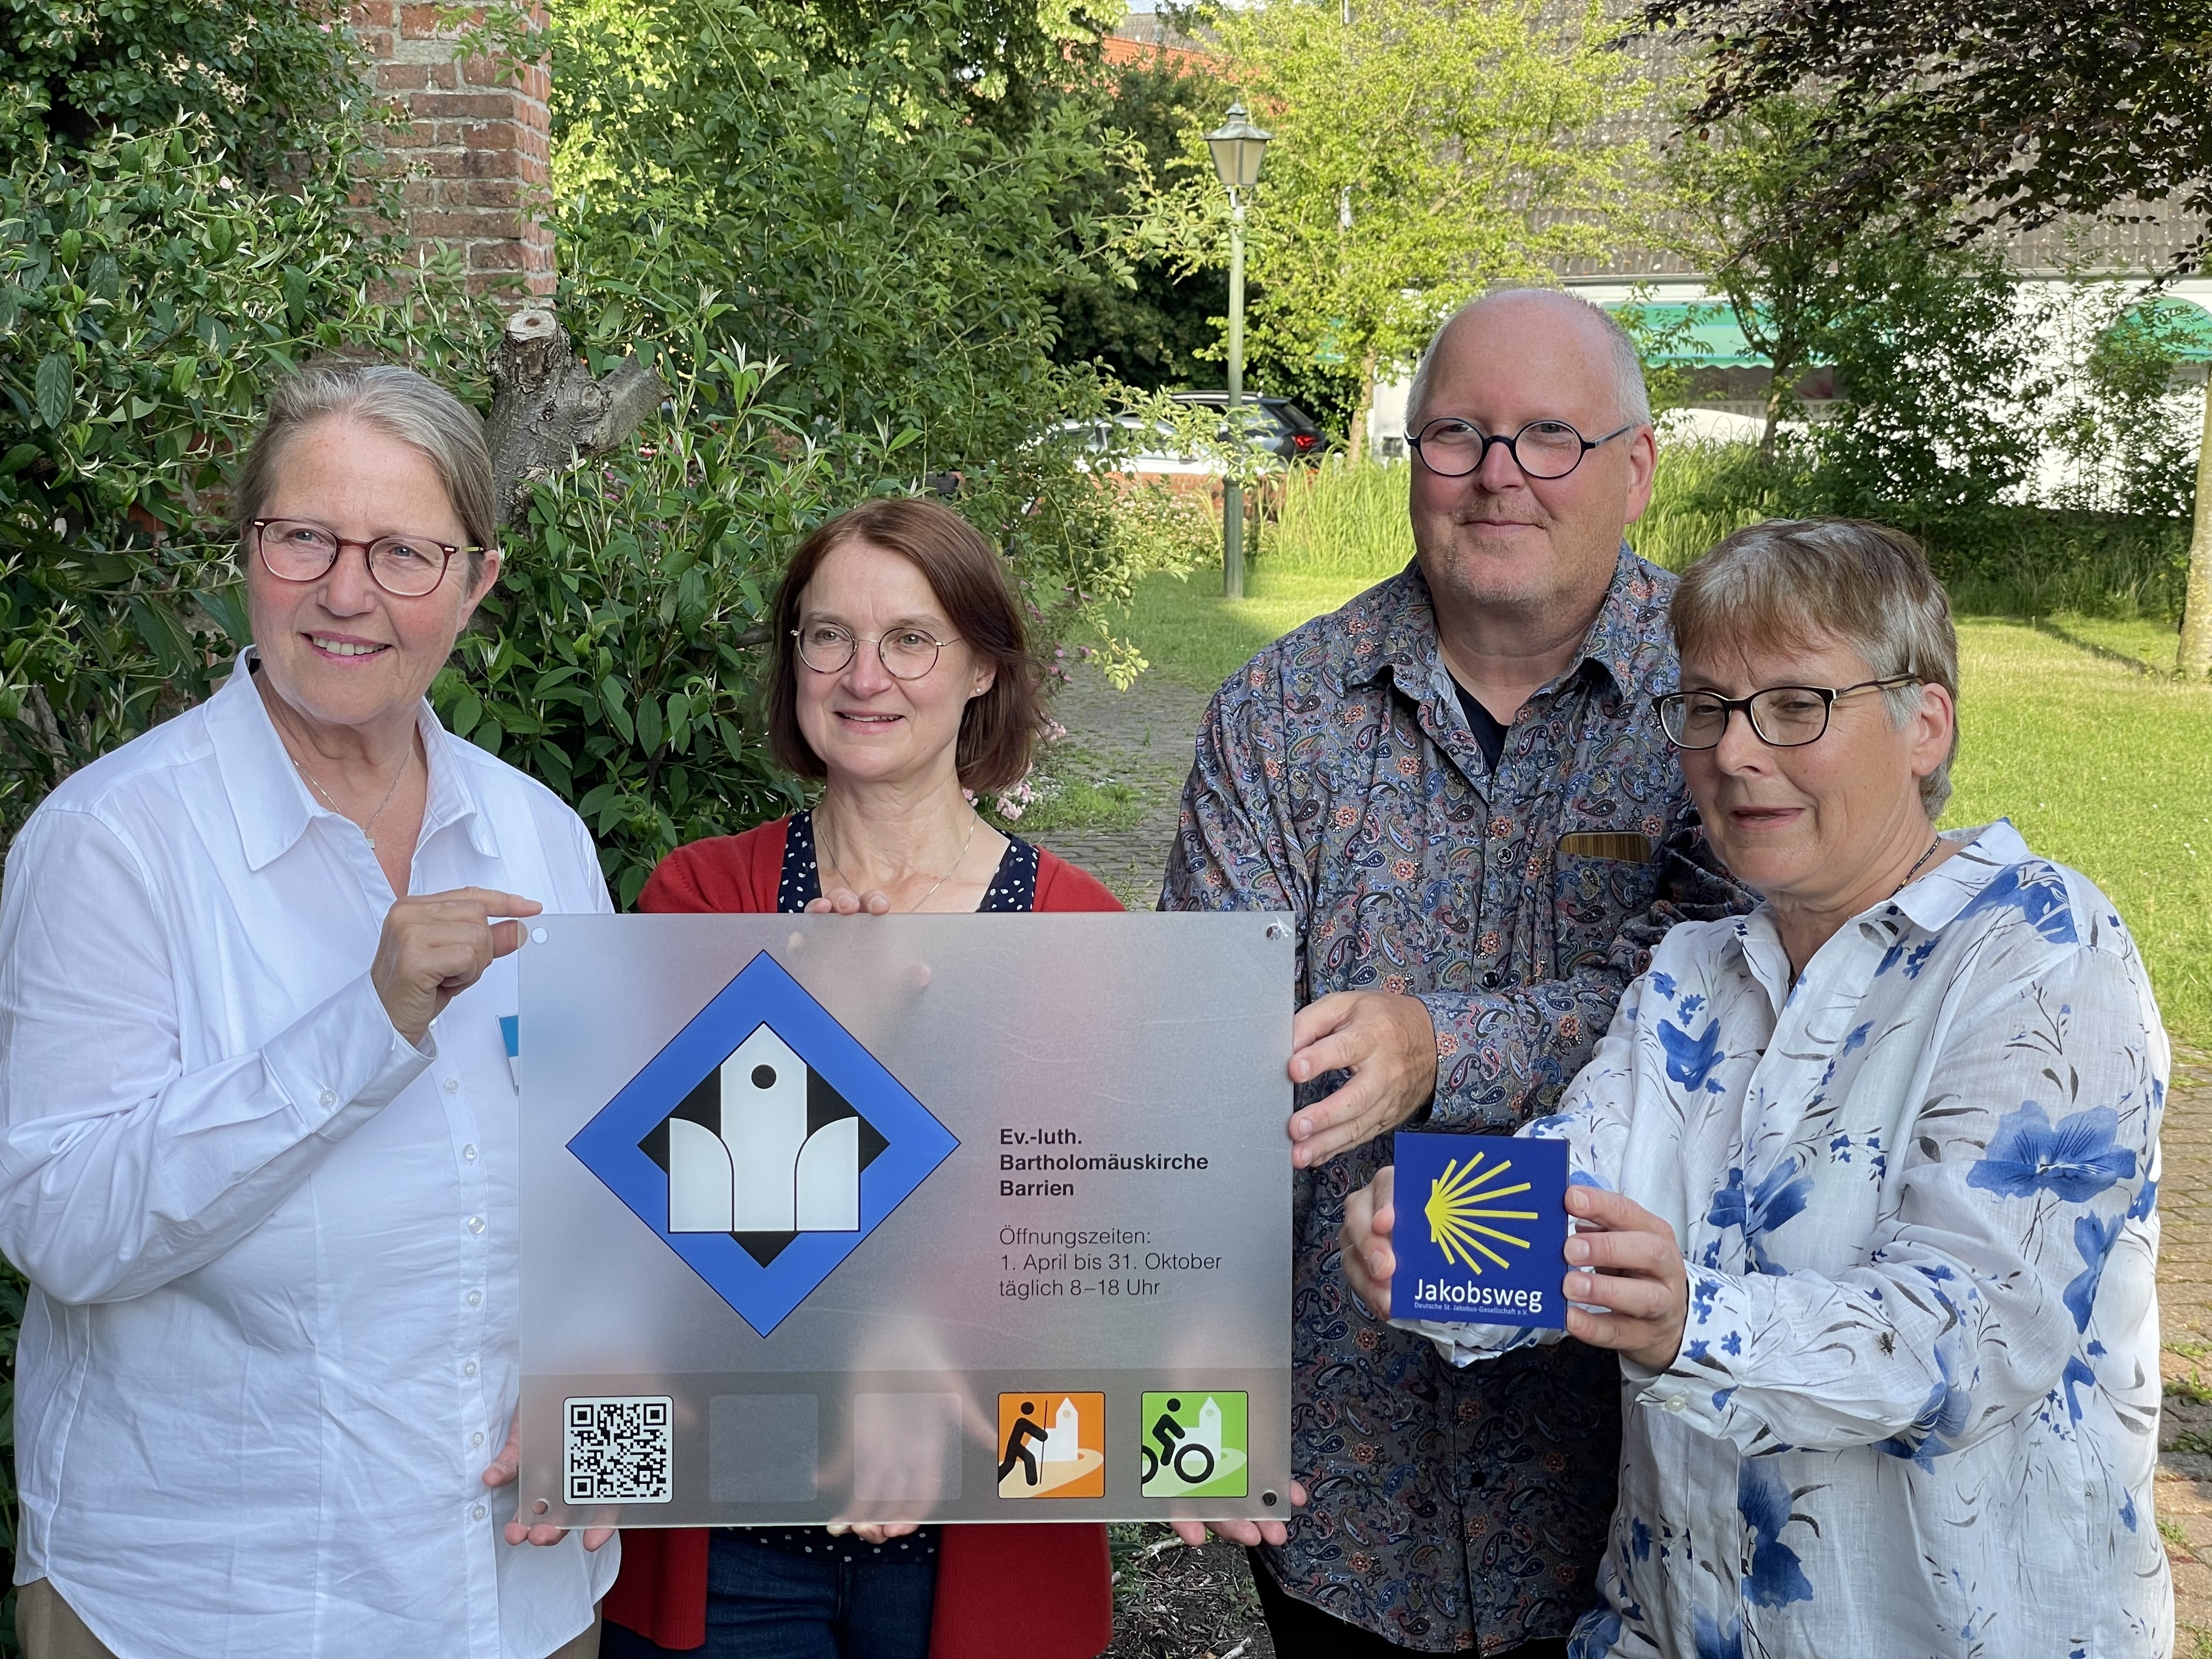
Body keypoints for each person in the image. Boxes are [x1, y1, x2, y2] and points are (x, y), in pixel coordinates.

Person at [1339, 519, 2171, 1656]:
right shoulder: (1697, 969)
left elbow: (1972, 1341)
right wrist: (1429, 1248)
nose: (1734, 752)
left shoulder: (2038, 947)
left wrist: (1689, 1319)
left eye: (1796, 705)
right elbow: (1565, 1204)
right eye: (1707, 707)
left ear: (1926, 724)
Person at [1161, 288, 1745, 1656]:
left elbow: (1722, 1004)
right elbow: (1200, 1066)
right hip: (1345, 1479)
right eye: (1457, 434)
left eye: (1551, 435)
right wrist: (1167, 1375)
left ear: (1638, 466)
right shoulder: (1277, 713)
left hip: (1633, 1477)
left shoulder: (1725, 707)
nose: (1499, 475)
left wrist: (1440, 1047)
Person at [0, 364, 616, 1658]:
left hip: (518, 1588)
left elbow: (608, 1193)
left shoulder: (540, 835)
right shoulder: (114, 842)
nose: (348, 593)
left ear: (476, 584)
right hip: (215, 1599)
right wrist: (366, 1024)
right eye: (305, 539)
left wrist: (610, 1419)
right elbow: (62, 1226)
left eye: (403, 551)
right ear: (247, 553)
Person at [601, 496, 1117, 1659]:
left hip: (990, 1527)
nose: (862, 674)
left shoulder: (1079, 927)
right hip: (726, 1539)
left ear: (985, 666)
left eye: (911, 639)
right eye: (827, 635)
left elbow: (1078, 1257)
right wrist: (829, 1037)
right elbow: (661, 1251)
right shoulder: (703, 901)